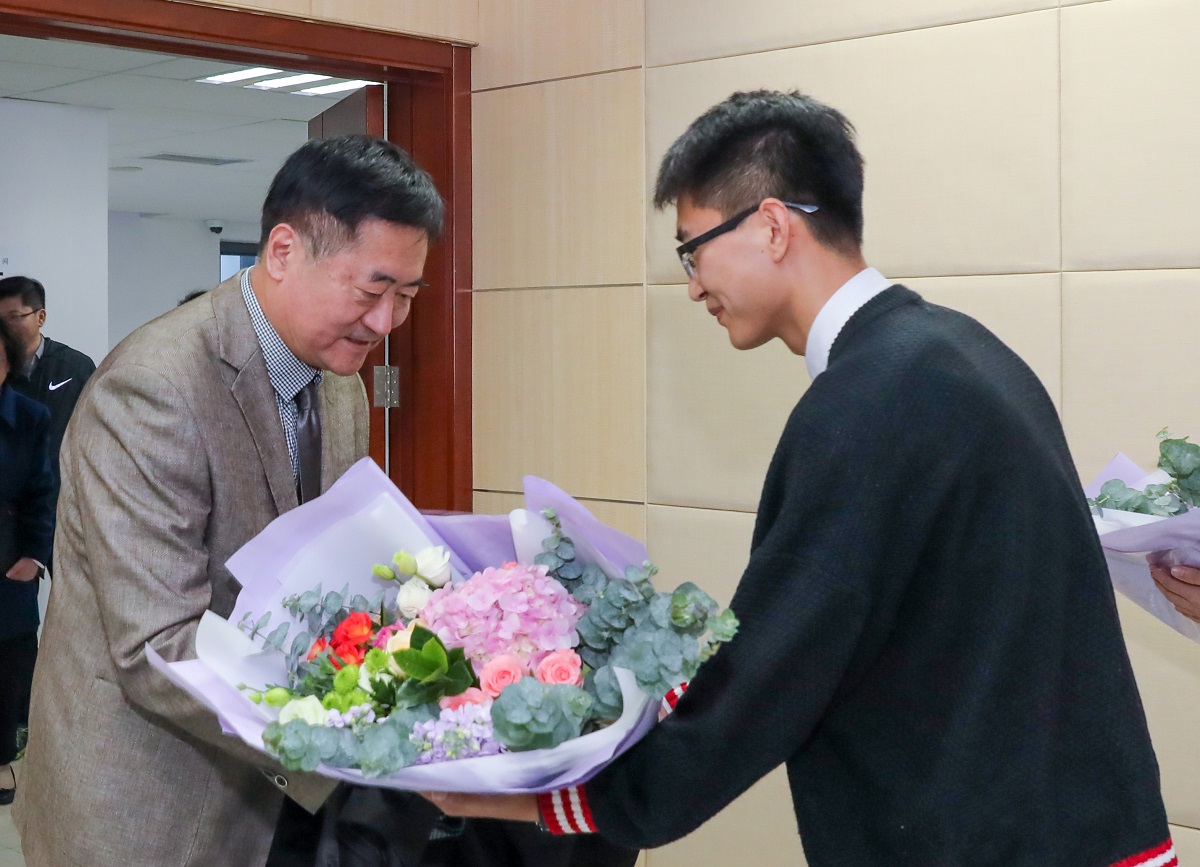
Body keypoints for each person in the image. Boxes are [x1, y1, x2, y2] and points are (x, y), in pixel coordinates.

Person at [426, 90, 1174, 866]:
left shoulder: (867, 401)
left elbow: (777, 670)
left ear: (773, 225)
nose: (693, 286)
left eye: (692, 250)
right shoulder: (965, 354)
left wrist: (555, 797)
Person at [15, 134, 442, 867]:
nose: (385, 323)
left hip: (283, 790)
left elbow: (327, 566)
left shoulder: (341, 382)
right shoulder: (154, 387)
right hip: (156, 798)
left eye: (406, 296)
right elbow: (157, 642)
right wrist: (351, 737)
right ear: (283, 251)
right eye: (371, 291)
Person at [0, 316, 54, 807]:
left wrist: (34, 557)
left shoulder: (31, 416)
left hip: (8, 556)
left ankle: (1, 762)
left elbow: (43, 491)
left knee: (10, 664)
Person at [0, 275, 96, 495]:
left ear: (40, 317)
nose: (5, 328)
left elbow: (95, 433)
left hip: (63, 497)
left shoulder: (75, 367)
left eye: (14, 317)